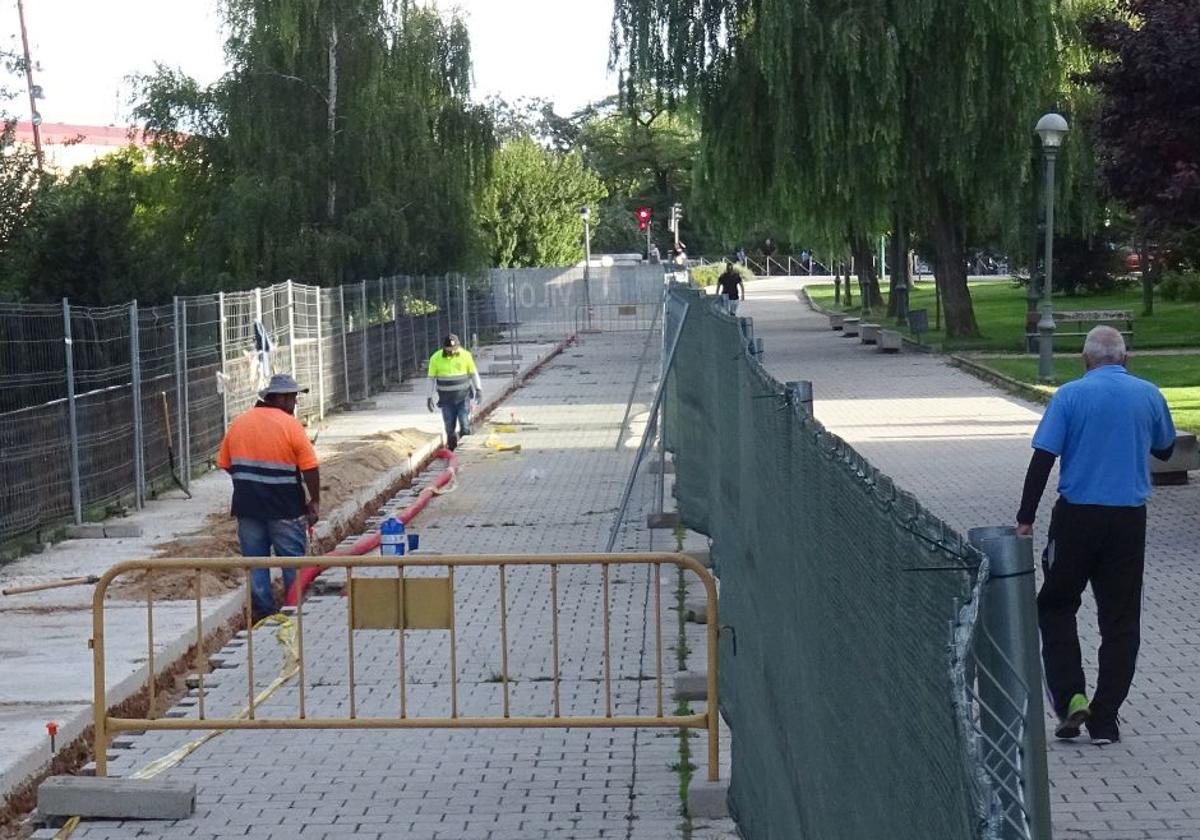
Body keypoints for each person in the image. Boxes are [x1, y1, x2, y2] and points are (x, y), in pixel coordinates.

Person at [1016, 326, 1176, 745]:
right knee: (1121, 620)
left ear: (1085, 360)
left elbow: (1043, 458)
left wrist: (1025, 517)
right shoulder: (1148, 394)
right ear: (1126, 358)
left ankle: (1071, 696)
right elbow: (1165, 449)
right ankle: (1105, 718)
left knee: (1055, 605)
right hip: (1128, 521)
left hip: (1076, 520)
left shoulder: (1069, 396)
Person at [216, 373, 320, 621]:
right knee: (292, 561)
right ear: (281, 398)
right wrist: (314, 501)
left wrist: (249, 482)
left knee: (255, 562)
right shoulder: (290, 426)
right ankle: (294, 611)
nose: (294, 404)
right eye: (293, 398)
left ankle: (263, 613)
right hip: (285, 507)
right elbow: (310, 468)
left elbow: (225, 462)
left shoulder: (239, 423)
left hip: (248, 506)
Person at [427, 334, 482, 450]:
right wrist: (429, 397)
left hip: (463, 397)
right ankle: (452, 449)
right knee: (449, 427)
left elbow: (473, 373)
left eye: (454, 349)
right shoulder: (435, 358)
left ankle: (465, 449)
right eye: (449, 350)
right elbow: (431, 379)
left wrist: (478, 389)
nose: (452, 352)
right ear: (444, 347)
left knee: (464, 424)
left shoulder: (465, 355)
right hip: (446, 400)